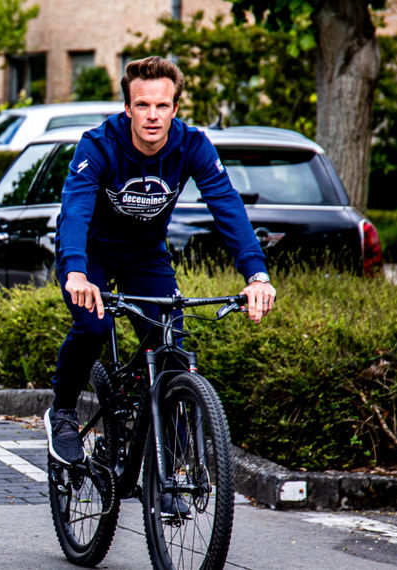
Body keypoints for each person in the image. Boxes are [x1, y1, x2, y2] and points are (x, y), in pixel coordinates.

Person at [45, 56, 277, 466]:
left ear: (175, 107)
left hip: (145, 254)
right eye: (143, 106)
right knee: (93, 325)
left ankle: (171, 459)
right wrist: (77, 271)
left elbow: (227, 206)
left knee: (170, 345)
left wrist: (256, 274)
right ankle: (62, 413)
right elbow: (76, 209)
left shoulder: (192, 145)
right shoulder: (98, 144)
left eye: (162, 106)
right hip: (90, 253)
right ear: (127, 108)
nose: (153, 116)